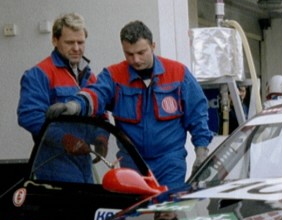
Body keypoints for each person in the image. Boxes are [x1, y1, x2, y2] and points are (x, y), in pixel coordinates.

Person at [48, 20, 213, 190]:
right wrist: (73, 106)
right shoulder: (114, 76)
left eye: (141, 52)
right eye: (129, 54)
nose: (136, 60)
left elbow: (198, 115)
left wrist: (201, 153)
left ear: (153, 46)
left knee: (168, 213)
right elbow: (96, 95)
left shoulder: (178, 74)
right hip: (131, 163)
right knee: (134, 215)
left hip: (170, 163)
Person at [17, 12, 107, 183]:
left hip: (84, 162)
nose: (76, 48)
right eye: (69, 42)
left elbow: (100, 109)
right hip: (53, 163)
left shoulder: (89, 76)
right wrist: (65, 140)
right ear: (55, 40)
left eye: (80, 42)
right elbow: (29, 116)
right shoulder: (39, 74)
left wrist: (102, 138)